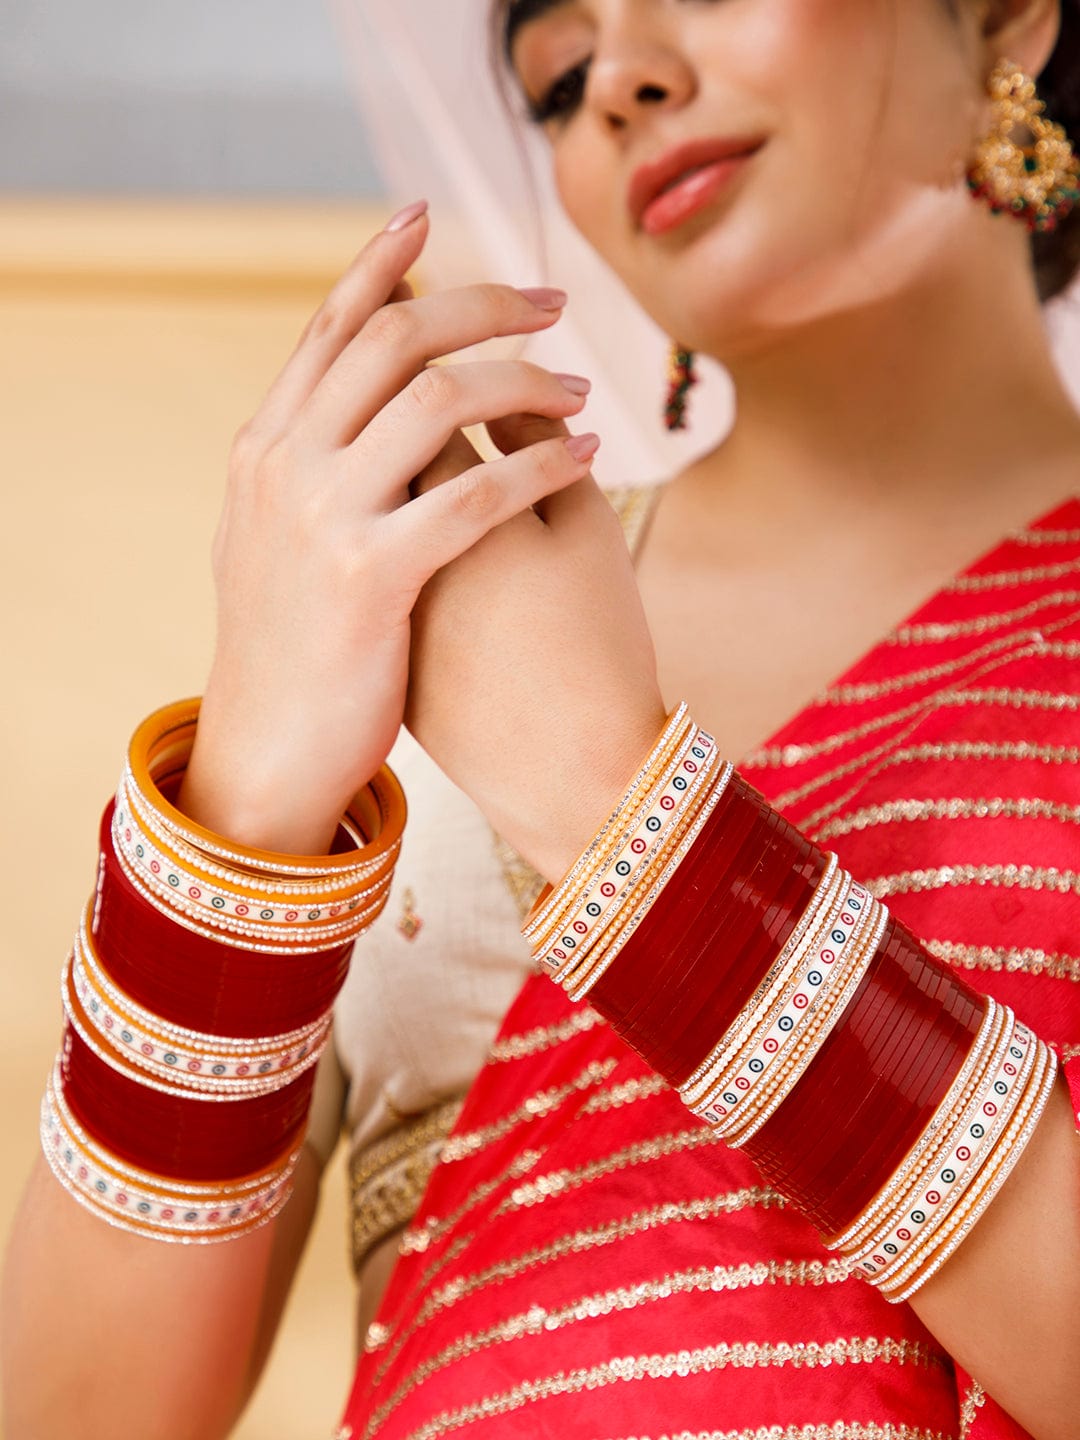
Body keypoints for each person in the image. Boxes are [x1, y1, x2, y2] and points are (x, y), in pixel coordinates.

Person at [3, 0, 1080, 1437]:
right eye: (560, 79)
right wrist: (248, 815)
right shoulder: (429, 646)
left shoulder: (516, 677)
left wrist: (625, 825)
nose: (622, 80)